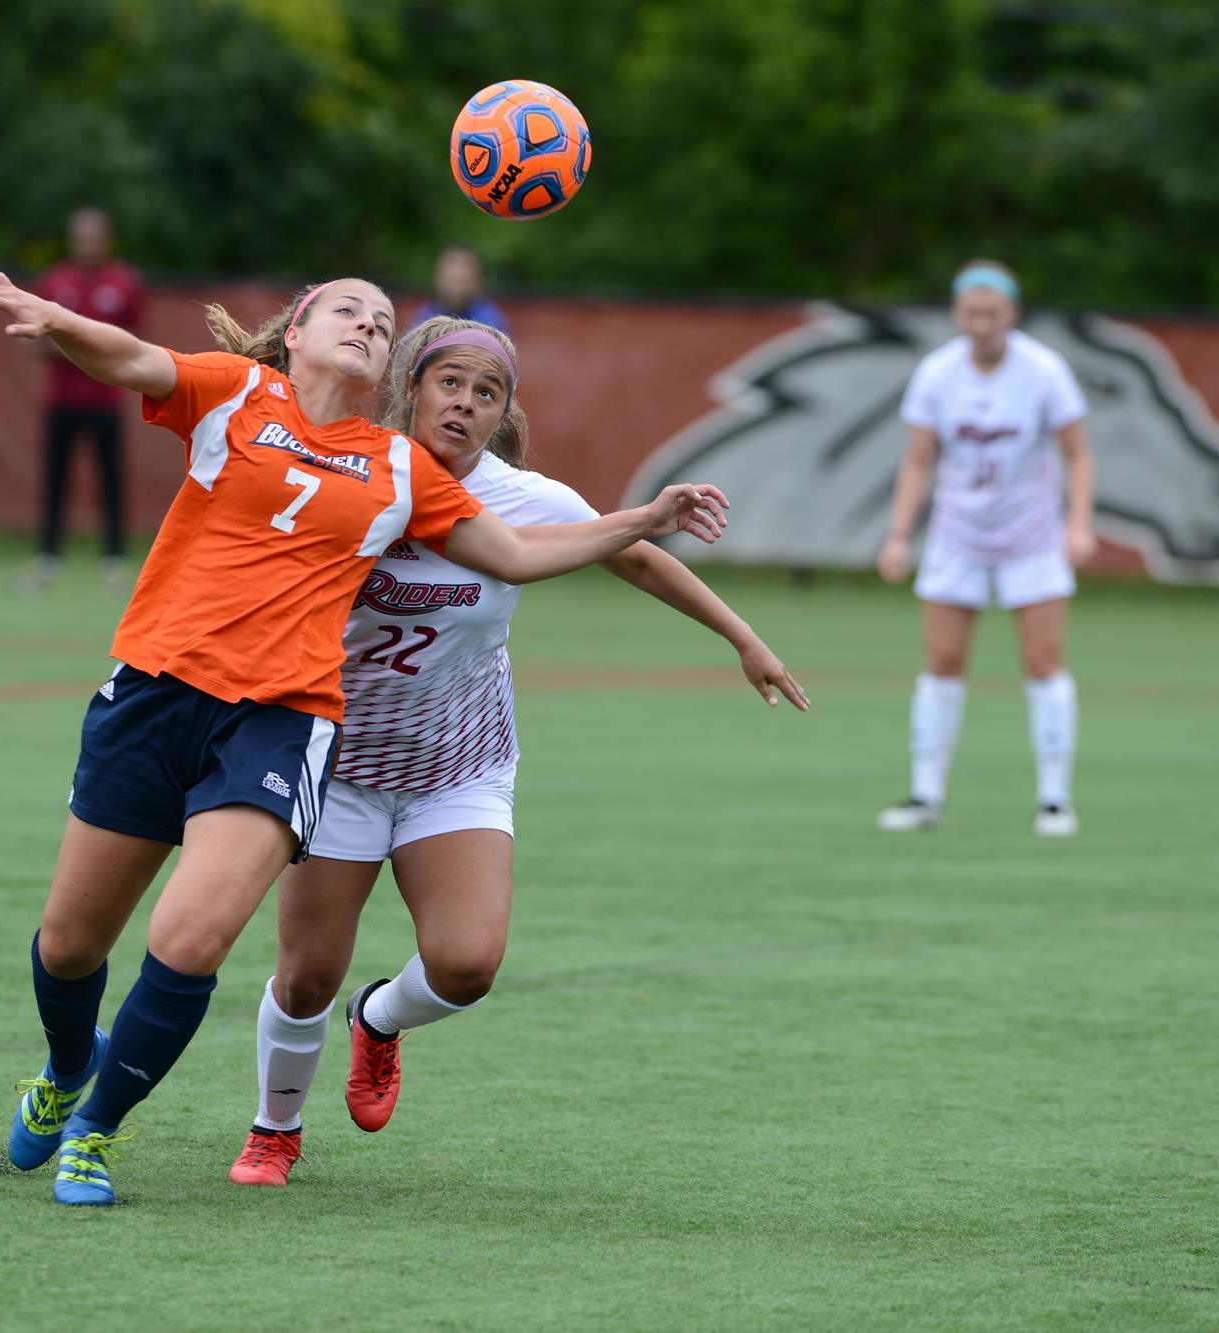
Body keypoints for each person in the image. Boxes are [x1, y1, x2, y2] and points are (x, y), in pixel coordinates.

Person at [0, 270, 732, 1207]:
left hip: (282, 721)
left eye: (382, 319)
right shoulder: (235, 393)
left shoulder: (398, 469)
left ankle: (94, 1131)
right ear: (296, 334)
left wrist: (642, 519)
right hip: (155, 695)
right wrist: (51, 317)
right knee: (71, 943)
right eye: (347, 311)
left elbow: (520, 553)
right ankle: (67, 1069)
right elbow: (129, 357)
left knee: (193, 937)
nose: (367, 324)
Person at [226, 317, 809, 1187]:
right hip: (339, 761)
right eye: (449, 383)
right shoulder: (349, 469)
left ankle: (379, 1020)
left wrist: (742, 635)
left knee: (466, 965)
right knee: (306, 973)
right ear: (411, 389)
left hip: (457, 762)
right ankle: (275, 1127)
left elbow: (639, 557)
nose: (464, 403)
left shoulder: (528, 499)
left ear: (502, 414)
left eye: (485, 392)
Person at [874, 259, 1096, 837]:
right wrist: (899, 535)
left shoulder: (1044, 371)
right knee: (943, 664)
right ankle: (926, 796)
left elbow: (1078, 454)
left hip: (1031, 536)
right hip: (958, 535)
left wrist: (1078, 524)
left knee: (1043, 662)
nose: (982, 324)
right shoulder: (938, 373)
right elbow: (919, 460)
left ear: (1012, 314)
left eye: (992, 313)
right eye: (971, 313)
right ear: (957, 314)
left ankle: (1054, 801)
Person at [18, 207, 145, 593]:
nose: (89, 245)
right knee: (56, 479)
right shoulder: (55, 282)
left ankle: (114, 562)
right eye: (82, 237)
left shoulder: (124, 283)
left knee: (110, 480)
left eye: (96, 238)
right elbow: (36, 338)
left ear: (106, 240)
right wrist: (73, 345)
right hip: (62, 401)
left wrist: (86, 346)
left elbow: (135, 341)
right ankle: (48, 560)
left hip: (105, 402)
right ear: (73, 240)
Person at [411, 242, 508, 333]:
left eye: (462, 280)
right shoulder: (424, 316)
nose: (457, 273)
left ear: (478, 280)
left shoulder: (490, 321)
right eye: (451, 280)